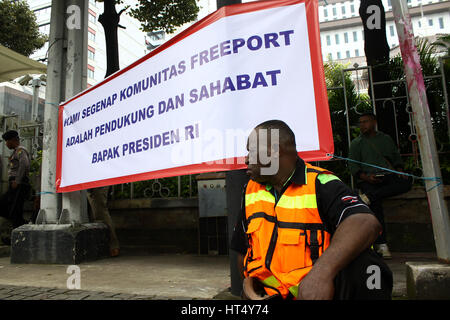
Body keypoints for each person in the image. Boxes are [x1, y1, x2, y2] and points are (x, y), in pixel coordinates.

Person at [230, 120, 393, 300]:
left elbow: (365, 222)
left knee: (371, 267)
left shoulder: (319, 184)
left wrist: (321, 274)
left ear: (274, 151)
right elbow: (242, 250)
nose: (246, 159)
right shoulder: (251, 190)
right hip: (269, 296)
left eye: (251, 151)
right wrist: (248, 285)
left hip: (315, 294)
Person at [348, 113, 412, 259]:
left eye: (366, 122)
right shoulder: (357, 143)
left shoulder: (385, 139)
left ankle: (369, 197)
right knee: (376, 206)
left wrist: (400, 171)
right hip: (368, 179)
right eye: (361, 122)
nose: (363, 125)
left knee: (406, 183)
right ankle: (381, 244)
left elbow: (396, 158)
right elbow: (353, 167)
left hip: (387, 176)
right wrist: (366, 177)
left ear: (374, 122)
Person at [0, 130, 31, 230]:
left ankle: (21, 226)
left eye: (7, 141)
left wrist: (17, 181)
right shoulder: (16, 152)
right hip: (15, 183)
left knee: (15, 208)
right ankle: (18, 224)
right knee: (9, 206)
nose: (6, 144)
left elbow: (24, 164)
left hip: (19, 183)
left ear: (13, 140)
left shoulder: (20, 150)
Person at [87, 186, 120, 257]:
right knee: (98, 213)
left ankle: (113, 246)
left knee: (100, 213)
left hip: (96, 183)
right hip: (95, 183)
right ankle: (111, 246)